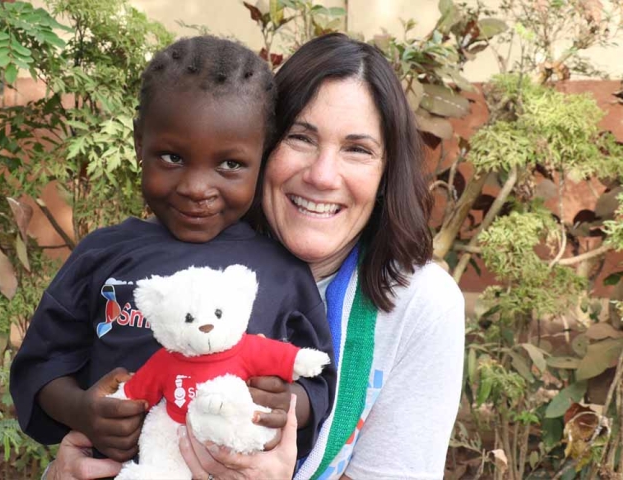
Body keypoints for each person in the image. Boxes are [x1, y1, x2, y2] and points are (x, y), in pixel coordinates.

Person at [47, 32, 465, 479]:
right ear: (261, 144)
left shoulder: (419, 304)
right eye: (301, 138)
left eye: (357, 150)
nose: (323, 176)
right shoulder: (176, 263)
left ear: (386, 173)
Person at [10, 35, 336, 469]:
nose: (196, 188)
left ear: (263, 156)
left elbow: (320, 379)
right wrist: (82, 410)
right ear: (138, 143)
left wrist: (289, 402)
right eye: (171, 157)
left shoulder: (282, 270)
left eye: (231, 164)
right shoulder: (101, 255)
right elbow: (40, 366)